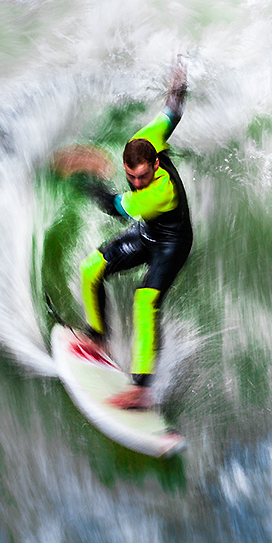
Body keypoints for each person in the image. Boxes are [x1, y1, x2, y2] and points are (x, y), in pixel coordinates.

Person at [53, 58, 192, 409]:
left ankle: (141, 389)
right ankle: (97, 336)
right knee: (91, 269)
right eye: (132, 177)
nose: (136, 182)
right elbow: (171, 113)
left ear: (156, 164)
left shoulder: (157, 194)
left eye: (142, 177)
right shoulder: (147, 138)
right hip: (148, 233)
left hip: (172, 244)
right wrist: (179, 80)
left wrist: (84, 172)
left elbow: (111, 205)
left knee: (145, 300)